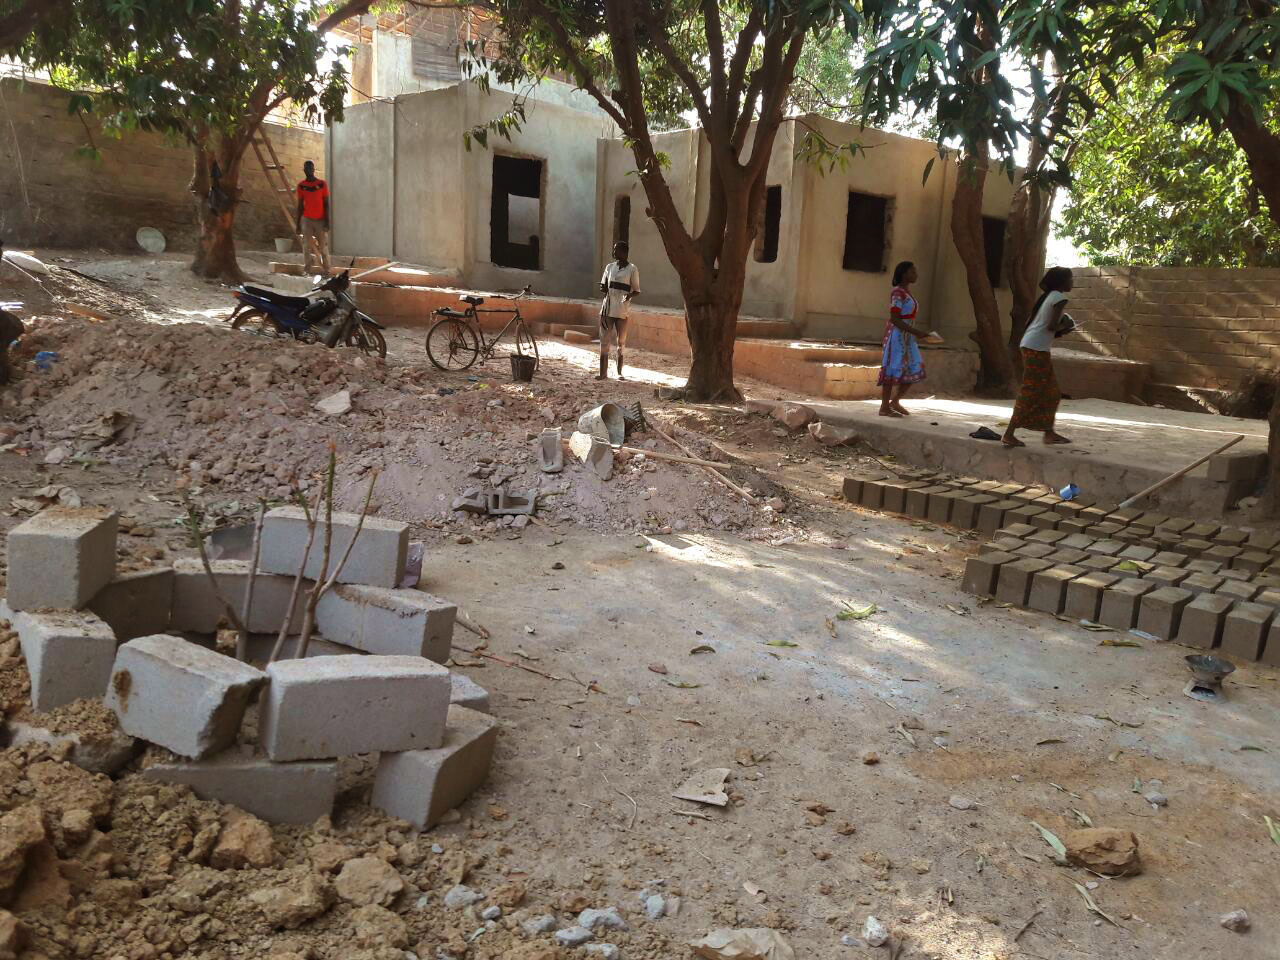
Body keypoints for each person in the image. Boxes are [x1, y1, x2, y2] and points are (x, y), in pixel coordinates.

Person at [1003, 266, 1075, 447]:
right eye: (1070, 279)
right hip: (1036, 349)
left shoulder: (1049, 296)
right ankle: (1009, 433)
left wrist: (1060, 329)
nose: (1072, 282)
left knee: (1052, 392)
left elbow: (1041, 325)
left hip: (1034, 346)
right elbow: (1051, 326)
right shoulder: (1059, 297)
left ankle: (1049, 433)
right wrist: (1065, 327)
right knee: (1031, 391)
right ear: (1062, 282)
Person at [878, 261, 929, 417]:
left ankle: (895, 401)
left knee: (914, 367)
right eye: (913, 272)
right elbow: (895, 318)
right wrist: (916, 331)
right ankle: (884, 406)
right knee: (892, 368)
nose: (916, 275)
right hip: (897, 337)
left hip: (908, 338)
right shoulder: (898, 293)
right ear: (904, 273)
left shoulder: (907, 293)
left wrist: (915, 333)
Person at [598, 241, 640, 380]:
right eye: (614, 249)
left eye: (616, 250)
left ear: (624, 252)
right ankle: (602, 373)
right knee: (604, 340)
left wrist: (629, 295)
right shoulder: (610, 267)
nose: (614, 252)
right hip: (607, 309)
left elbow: (636, 290)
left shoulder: (632, 269)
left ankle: (619, 373)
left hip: (622, 310)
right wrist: (603, 288)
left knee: (621, 342)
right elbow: (603, 285)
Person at [295, 160, 331, 278]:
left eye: (310, 168)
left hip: (320, 219)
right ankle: (307, 270)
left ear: (313, 169)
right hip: (307, 219)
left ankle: (327, 270)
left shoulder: (322, 184)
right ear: (304, 170)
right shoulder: (301, 186)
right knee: (306, 245)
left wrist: (327, 221)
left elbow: (326, 204)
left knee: (322, 246)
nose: (308, 170)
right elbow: (300, 205)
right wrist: (298, 224)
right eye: (306, 168)